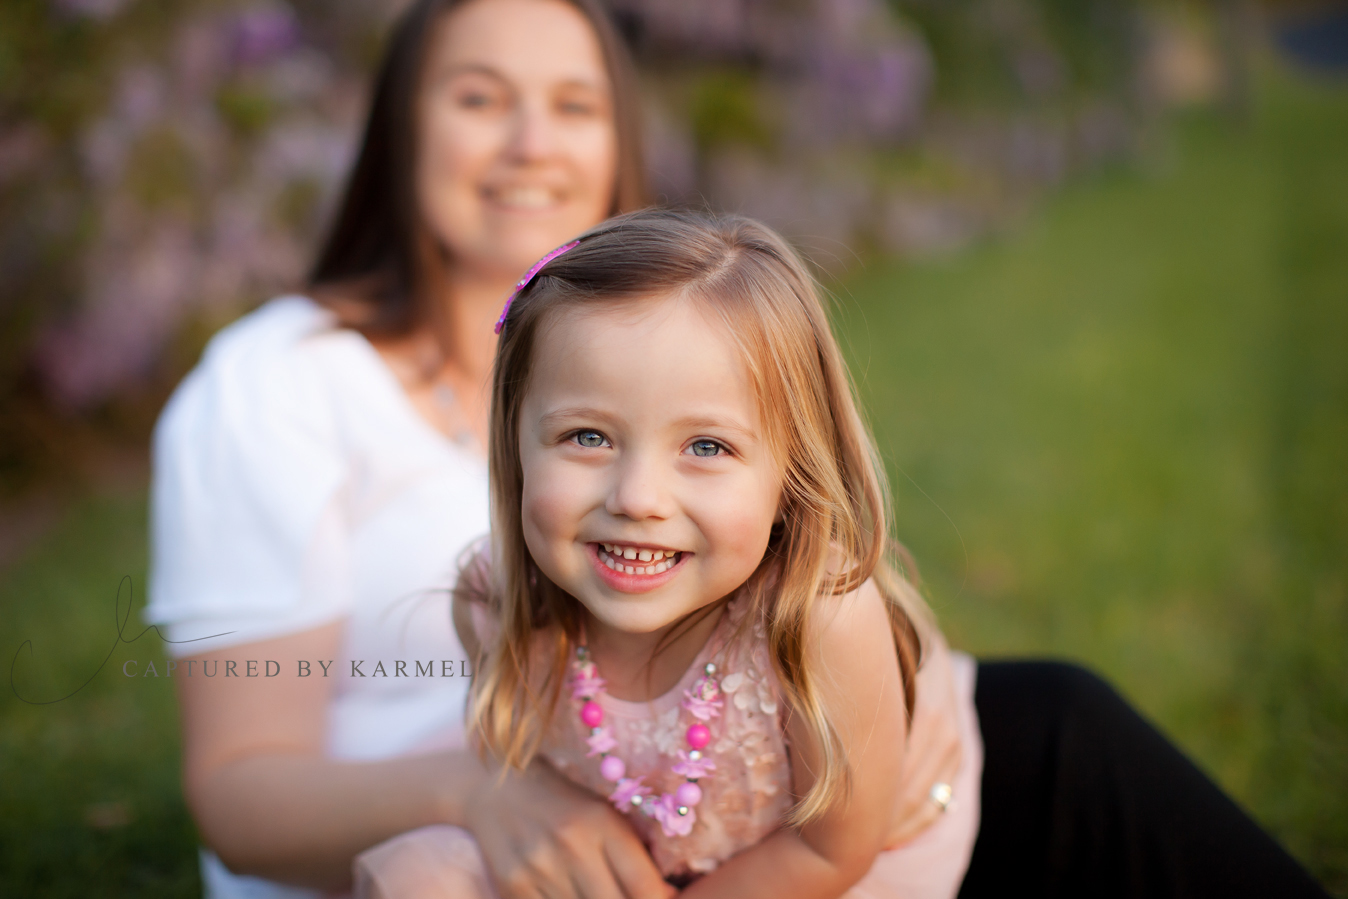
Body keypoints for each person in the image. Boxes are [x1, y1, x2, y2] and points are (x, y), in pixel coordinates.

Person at [353, 209, 1333, 899]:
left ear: (789, 469)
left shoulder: (818, 617)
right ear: (512, 445)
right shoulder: (493, 600)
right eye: (586, 437)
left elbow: (833, 845)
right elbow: (537, 781)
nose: (638, 497)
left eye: (706, 446)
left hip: (845, 863)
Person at [144, 1, 664, 896]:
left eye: (575, 106)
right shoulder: (273, 388)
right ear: (400, 130)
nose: (533, 142)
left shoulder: (663, 363)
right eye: (480, 98)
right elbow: (238, 794)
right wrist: (472, 794)